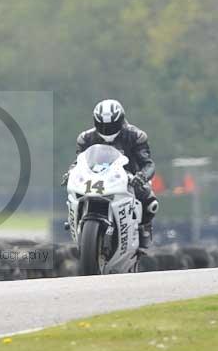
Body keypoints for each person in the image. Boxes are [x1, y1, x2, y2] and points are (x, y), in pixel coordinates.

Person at [62, 99, 159, 249]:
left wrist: (142, 176)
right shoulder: (86, 138)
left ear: (121, 120)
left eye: (111, 125)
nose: (107, 129)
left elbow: (148, 163)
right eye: (103, 125)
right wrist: (70, 172)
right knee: (72, 194)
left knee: (150, 201)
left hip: (128, 179)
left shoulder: (136, 136)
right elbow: (78, 161)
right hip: (95, 178)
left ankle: (143, 229)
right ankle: (74, 221)